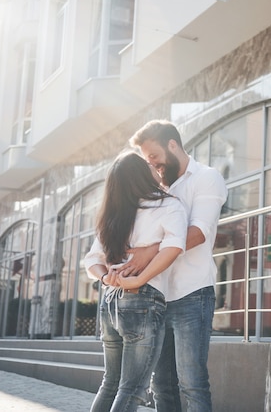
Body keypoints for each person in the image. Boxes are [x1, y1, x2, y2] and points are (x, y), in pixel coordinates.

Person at [123, 120, 227, 412]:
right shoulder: (156, 188)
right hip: (155, 297)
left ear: (172, 145)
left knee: (192, 382)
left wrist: (149, 253)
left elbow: (199, 232)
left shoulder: (206, 177)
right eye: (146, 159)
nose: (151, 163)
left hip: (193, 294)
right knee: (161, 385)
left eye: (153, 155)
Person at [84, 151, 187, 412]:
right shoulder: (167, 204)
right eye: (147, 165)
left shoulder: (113, 214)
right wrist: (140, 278)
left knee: (110, 383)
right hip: (142, 297)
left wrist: (106, 277)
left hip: (109, 301)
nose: (153, 166)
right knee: (131, 389)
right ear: (140, 175)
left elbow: (91, 261)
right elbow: (174, 247)